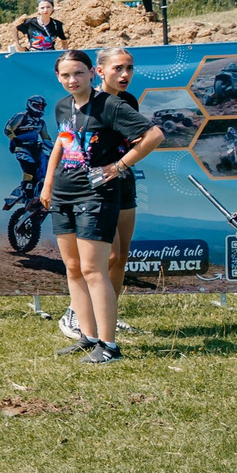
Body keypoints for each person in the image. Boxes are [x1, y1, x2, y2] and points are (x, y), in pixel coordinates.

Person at [39, 48, 162, 364]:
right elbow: (65, 142)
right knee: (73, 268)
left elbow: (154, 135)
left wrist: (119, 166)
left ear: (91, 73)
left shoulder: (110, 104)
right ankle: (88, 336)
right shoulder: (62, 107)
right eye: (65, 75)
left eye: (78, 73)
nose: (72, 79)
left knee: (96, 268)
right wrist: (49, 183)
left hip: (95, 196)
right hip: (64, 194)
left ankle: (109, 346)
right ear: (58, 77)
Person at [99, 48, 143, 299]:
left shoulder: (129, 101)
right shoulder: (90, 101)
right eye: (118, 68)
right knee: (108, 256)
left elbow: (135, 140)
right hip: (99, 183)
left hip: (124, 180)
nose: (125, 74)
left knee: (122, 256)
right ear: (101, 71)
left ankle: (109, 319)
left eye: (129, 68)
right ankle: (80, 314)